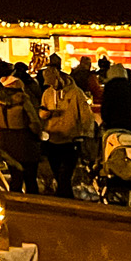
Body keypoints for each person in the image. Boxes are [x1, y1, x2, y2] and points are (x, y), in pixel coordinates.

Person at [40, 57, 95, 198]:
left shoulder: (76, 93)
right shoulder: (47, 93)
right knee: (57, 171)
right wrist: (44, 115)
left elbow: (86, 115)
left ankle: (64, 198)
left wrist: (84, 133)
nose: (51, 85)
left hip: (71, 138)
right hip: (53, 136)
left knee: (65, 173)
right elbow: (41, 110)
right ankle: (65, 198)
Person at [0, 65, 43, 194]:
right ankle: (34, 205)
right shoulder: (23, 100)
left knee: (15, 176)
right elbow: (33, 120)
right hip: (25, 139)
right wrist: (38, 134)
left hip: (6, 140)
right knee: (30, 176)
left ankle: (15, 203)